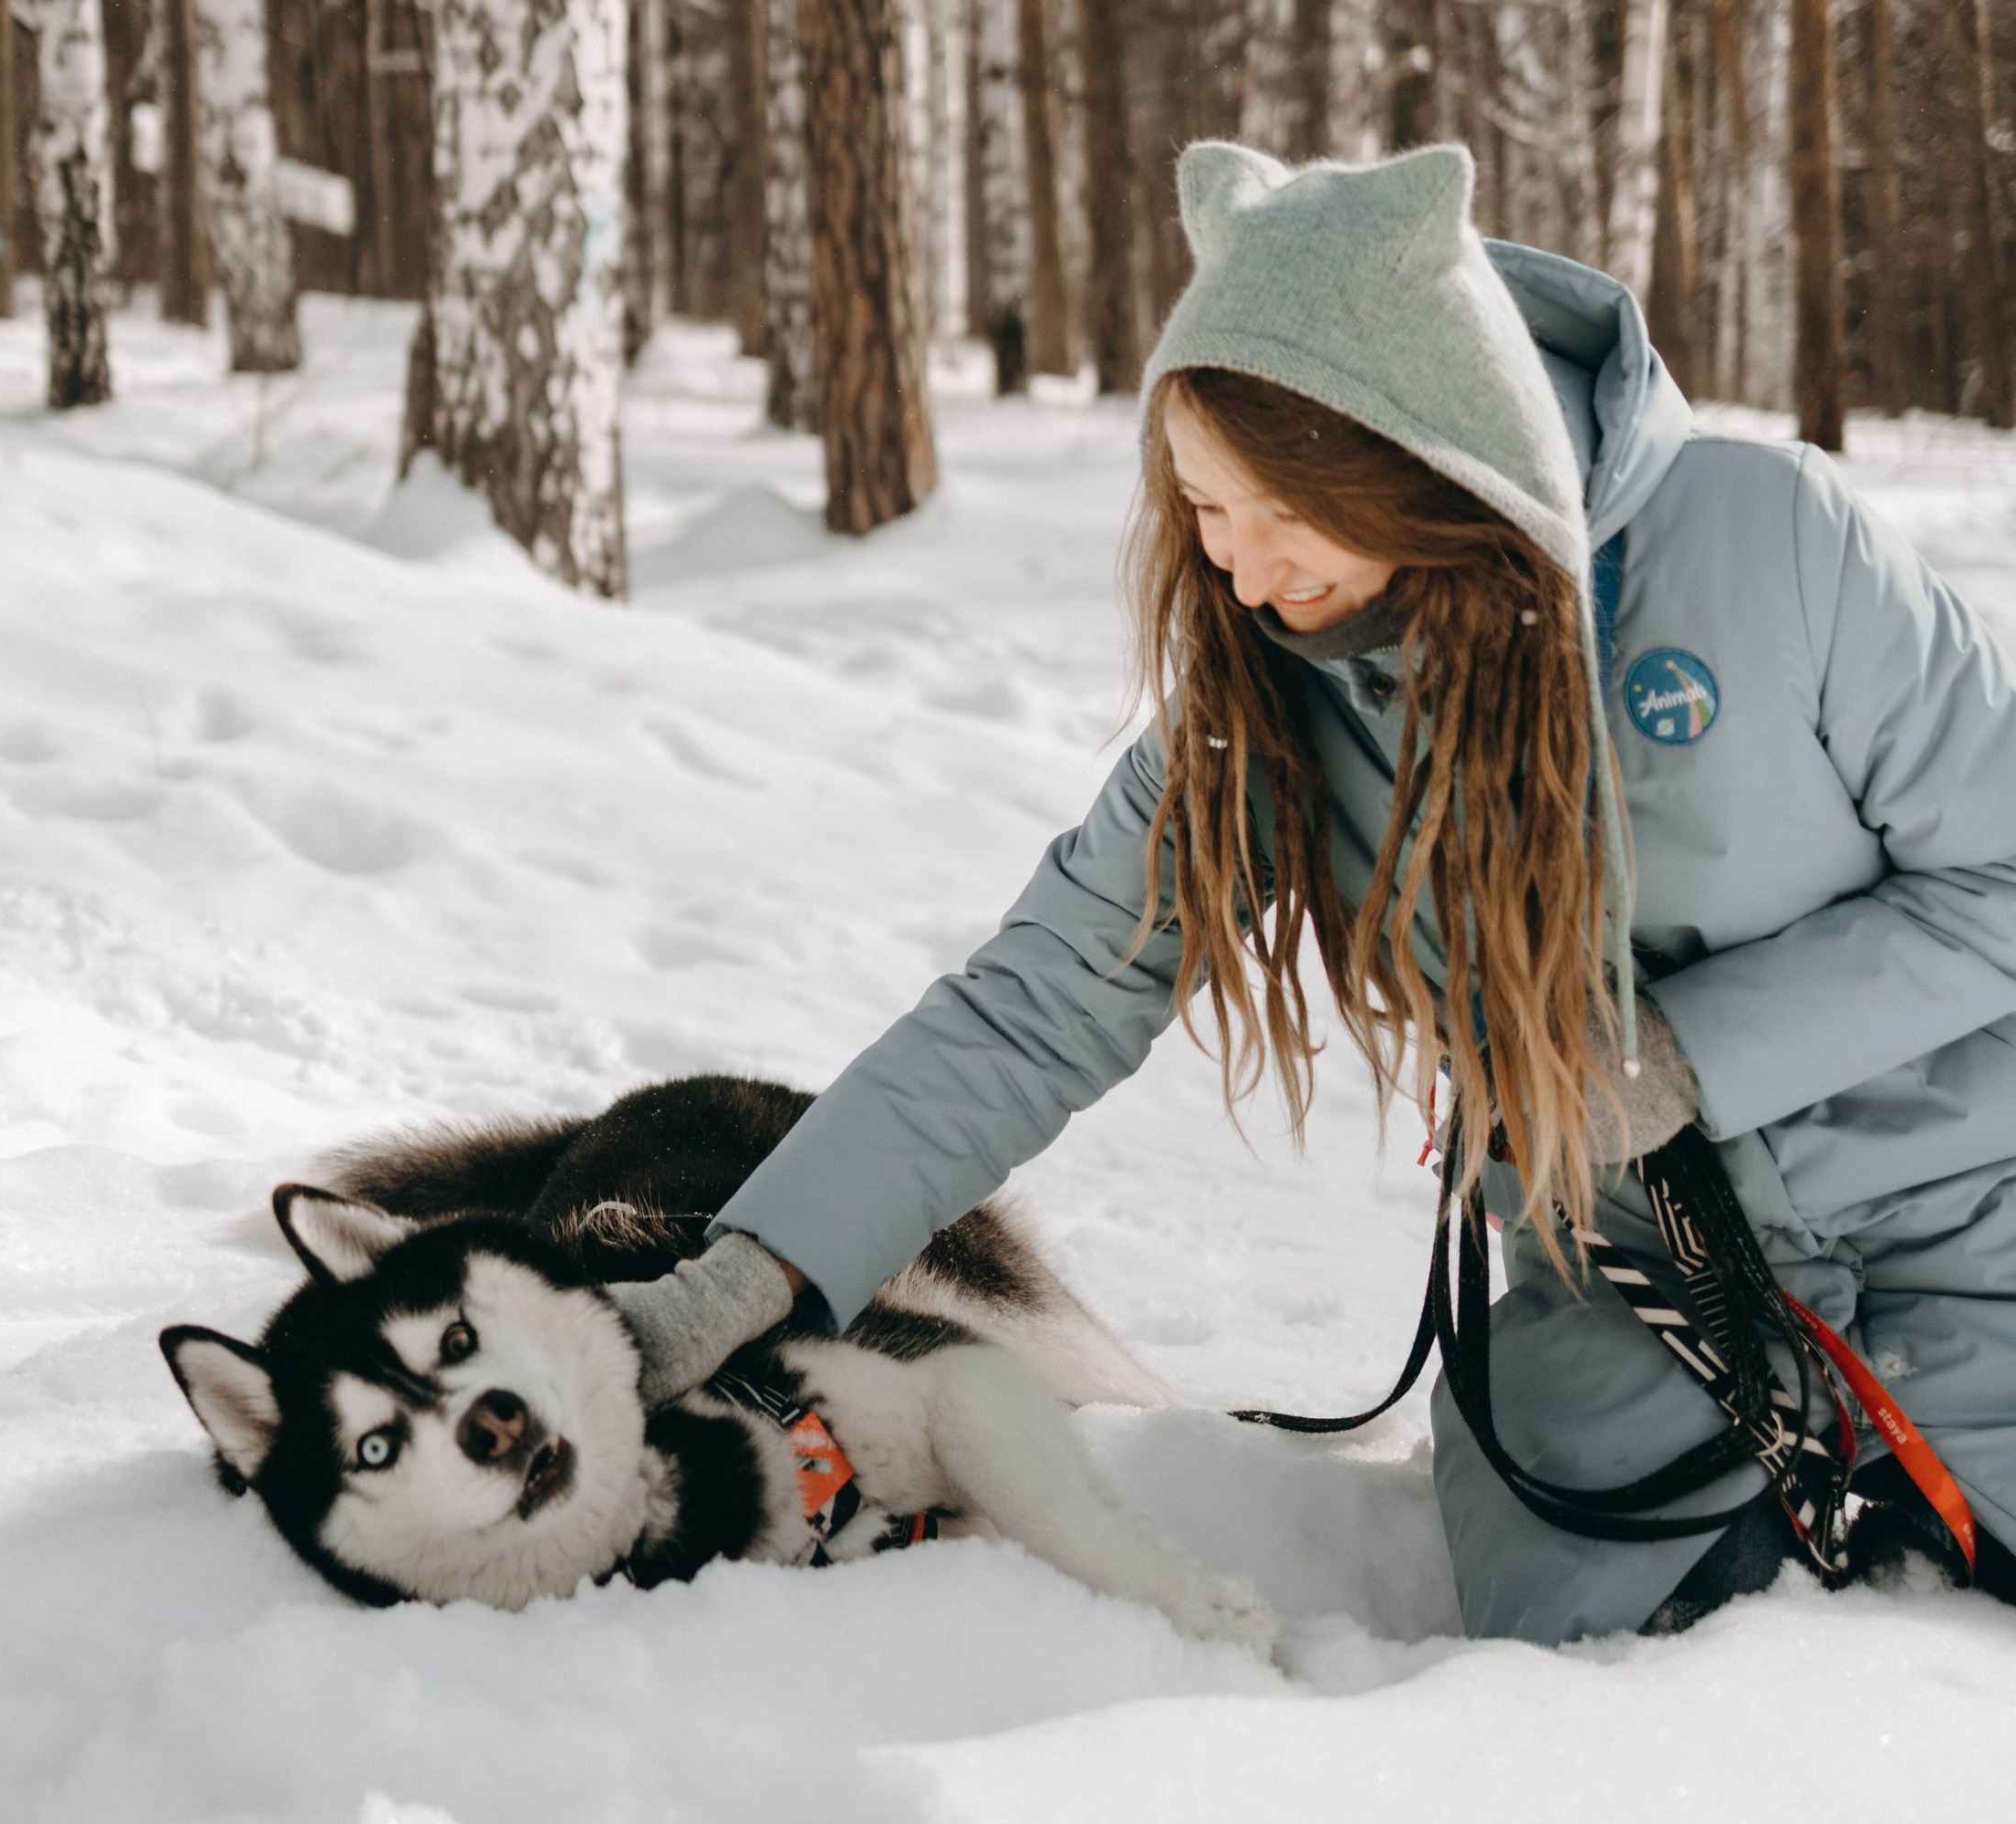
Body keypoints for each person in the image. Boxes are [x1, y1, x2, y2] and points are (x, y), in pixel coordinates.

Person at [607, 142, 2016, 1643]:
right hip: (1629, 1297)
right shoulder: (1265, 698)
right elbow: (1031, 1009)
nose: (1239, 568)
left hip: (1970, 1216)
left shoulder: (1774, 545)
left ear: (1422, 460)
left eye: (1283, 510)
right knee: (1616, 1683)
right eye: (1204, 507)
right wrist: (757, 1268)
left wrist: (1684, 1058)